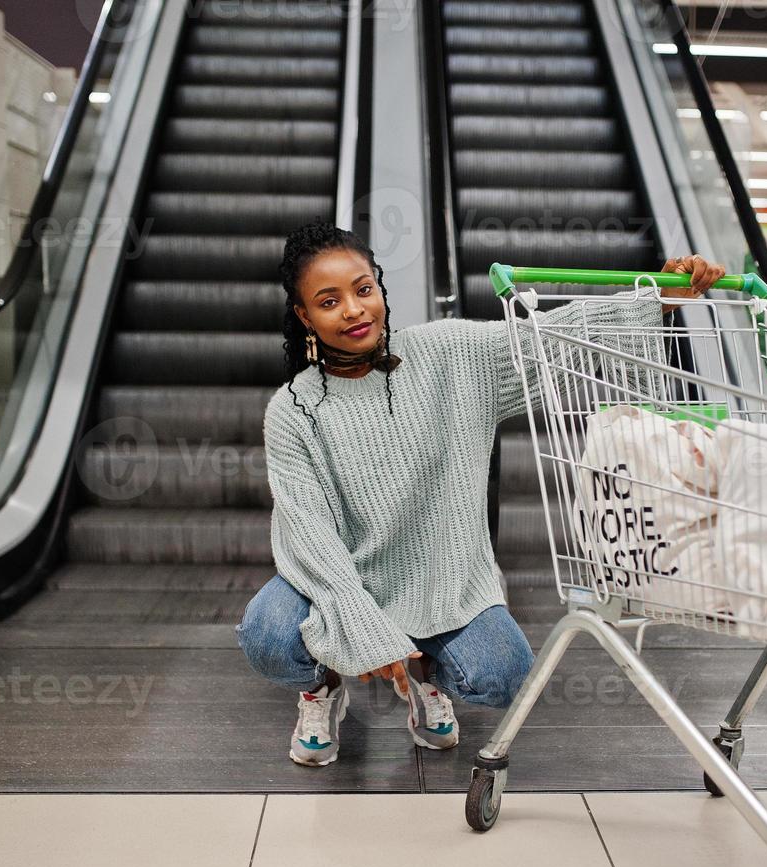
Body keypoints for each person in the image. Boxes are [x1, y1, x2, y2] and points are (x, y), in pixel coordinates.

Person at [235, 220, 726, 766]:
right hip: (337, 577)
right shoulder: (292, 410)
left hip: (444, 578)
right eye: (330, 301)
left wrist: (657, 297)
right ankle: (322, 685)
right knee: (269, 636)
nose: (353, 310)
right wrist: (361, 629)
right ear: (305, 316)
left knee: (502, 673)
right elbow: (309, 536)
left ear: (379, 287)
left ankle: (424, 679)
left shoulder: (451, 353)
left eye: (363, 289)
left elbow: (554, 340)